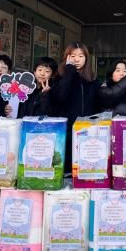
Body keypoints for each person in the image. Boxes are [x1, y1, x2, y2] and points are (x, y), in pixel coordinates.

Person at [47, 42, 100, 173]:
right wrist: (69, 70)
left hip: (87, 131)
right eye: (73, 56)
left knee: (86, 169)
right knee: (67, 170)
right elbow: (60, 96)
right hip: (66, 130)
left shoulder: (92, 79)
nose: (77, 59)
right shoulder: (59, 77)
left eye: (81, 56)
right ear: (67, 57)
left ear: (86, 58)